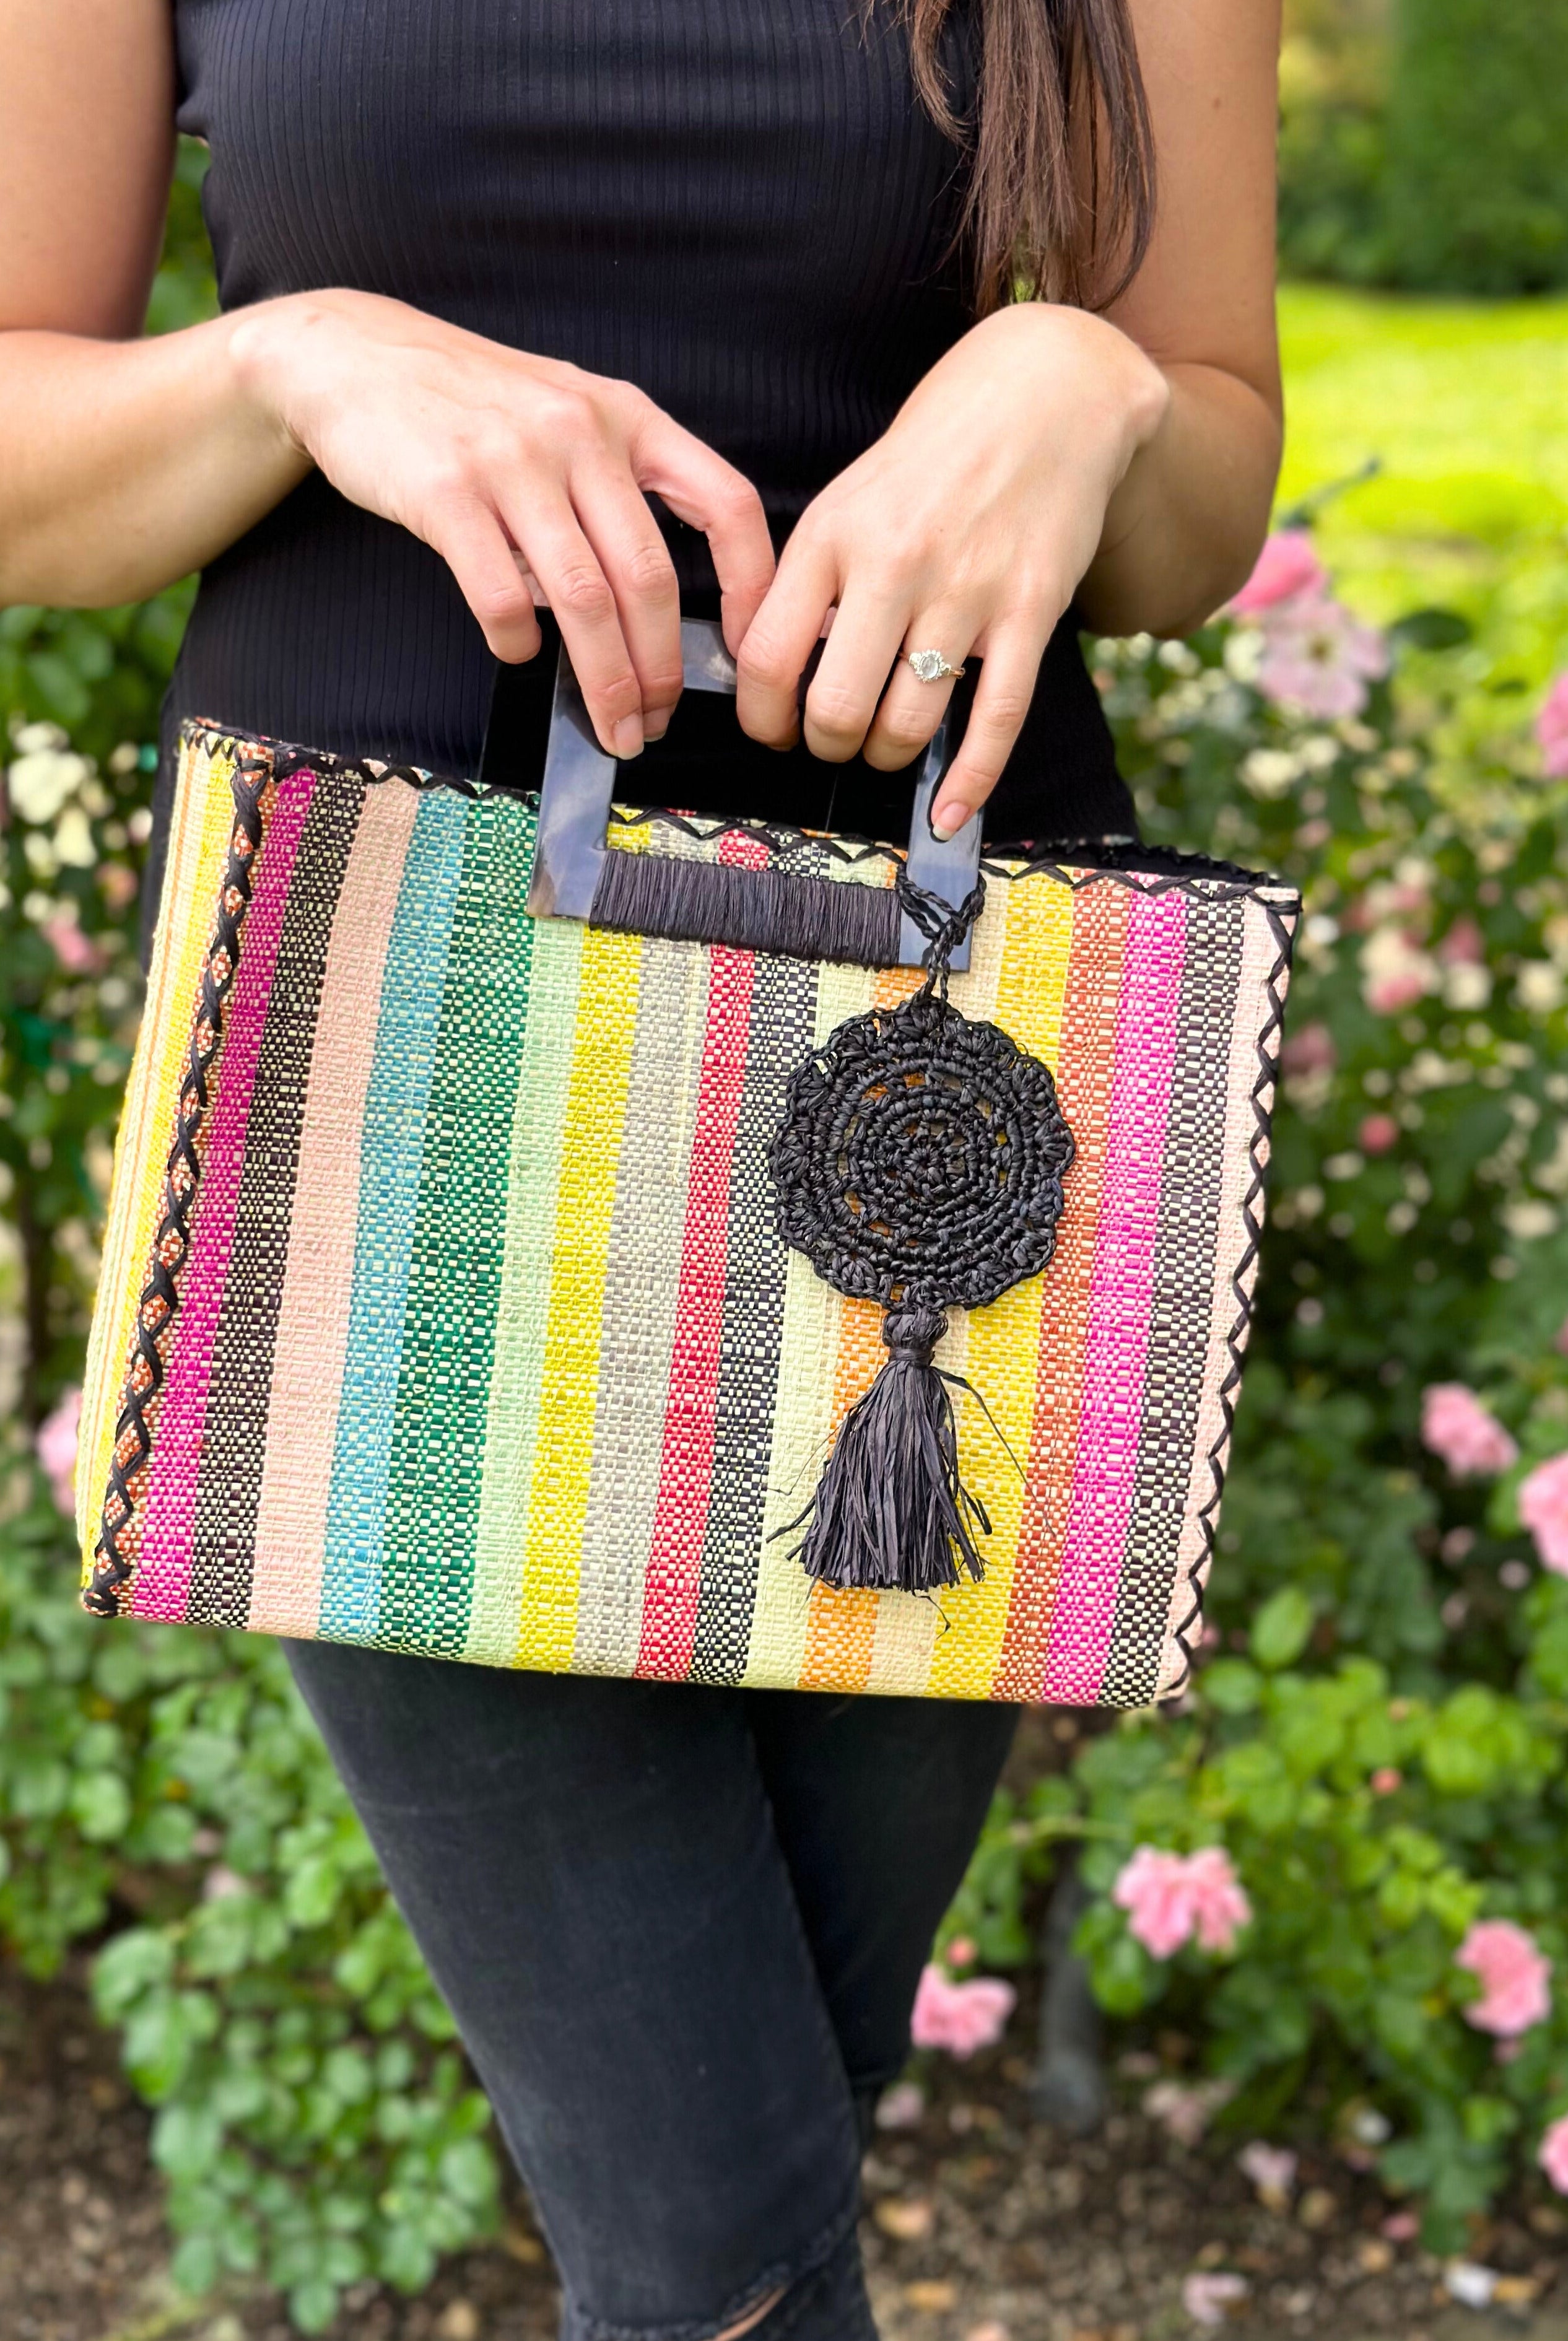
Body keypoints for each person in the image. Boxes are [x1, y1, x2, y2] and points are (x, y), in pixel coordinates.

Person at [0, 4, 1283, 2334]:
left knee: (743, 2166)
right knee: (710, 2237)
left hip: (940, 1141)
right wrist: (293, 366)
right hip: (390, 1085)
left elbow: (1200, 499)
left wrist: (1085, 388)